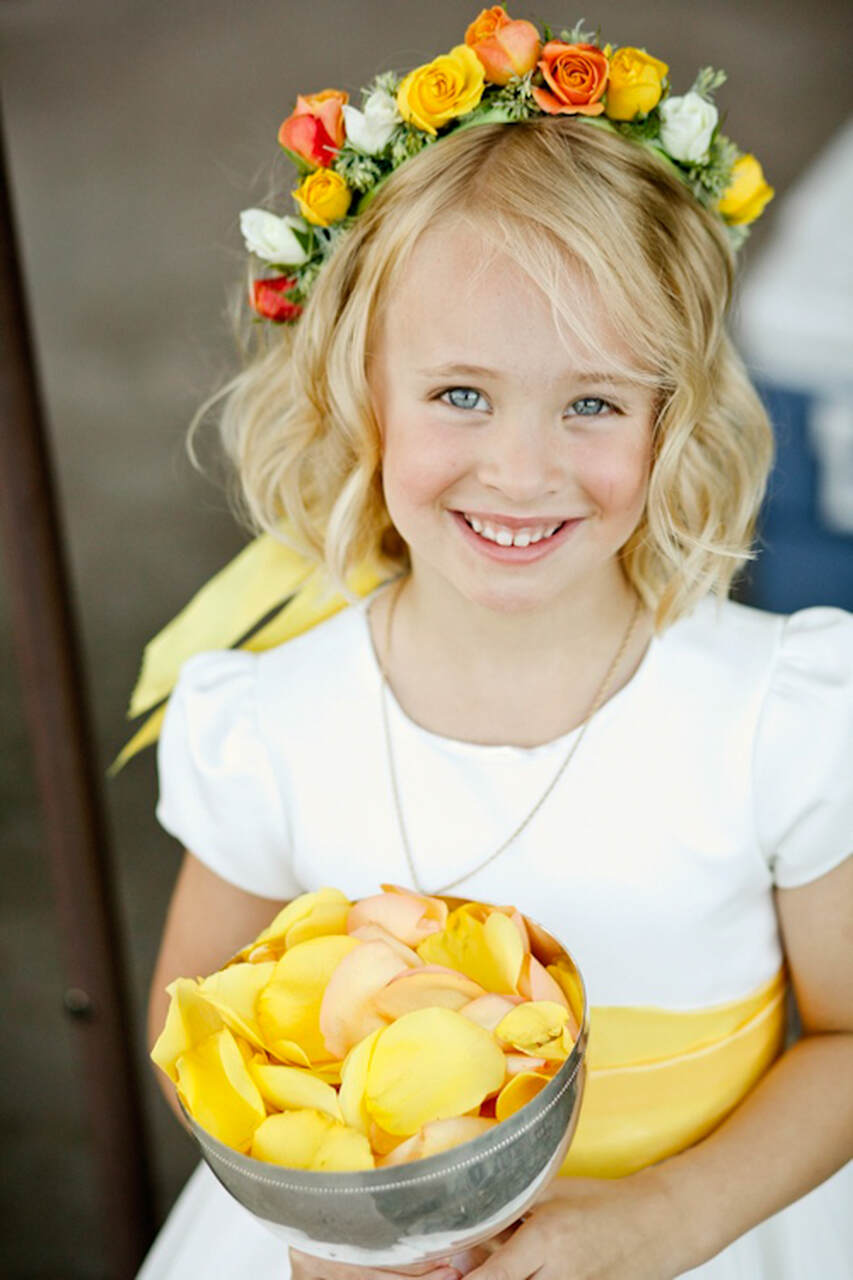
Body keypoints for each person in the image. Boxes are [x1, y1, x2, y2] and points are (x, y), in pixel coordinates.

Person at [135, 13, 852, 1279]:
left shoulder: (776, 713)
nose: (521, 472)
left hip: (705, 1231)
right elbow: (197, 1032)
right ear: (360, 391)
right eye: (460, 393)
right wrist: (329, 1225)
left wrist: (670, 1218)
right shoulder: (269, 724)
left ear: (672, 417)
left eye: (591, 402)